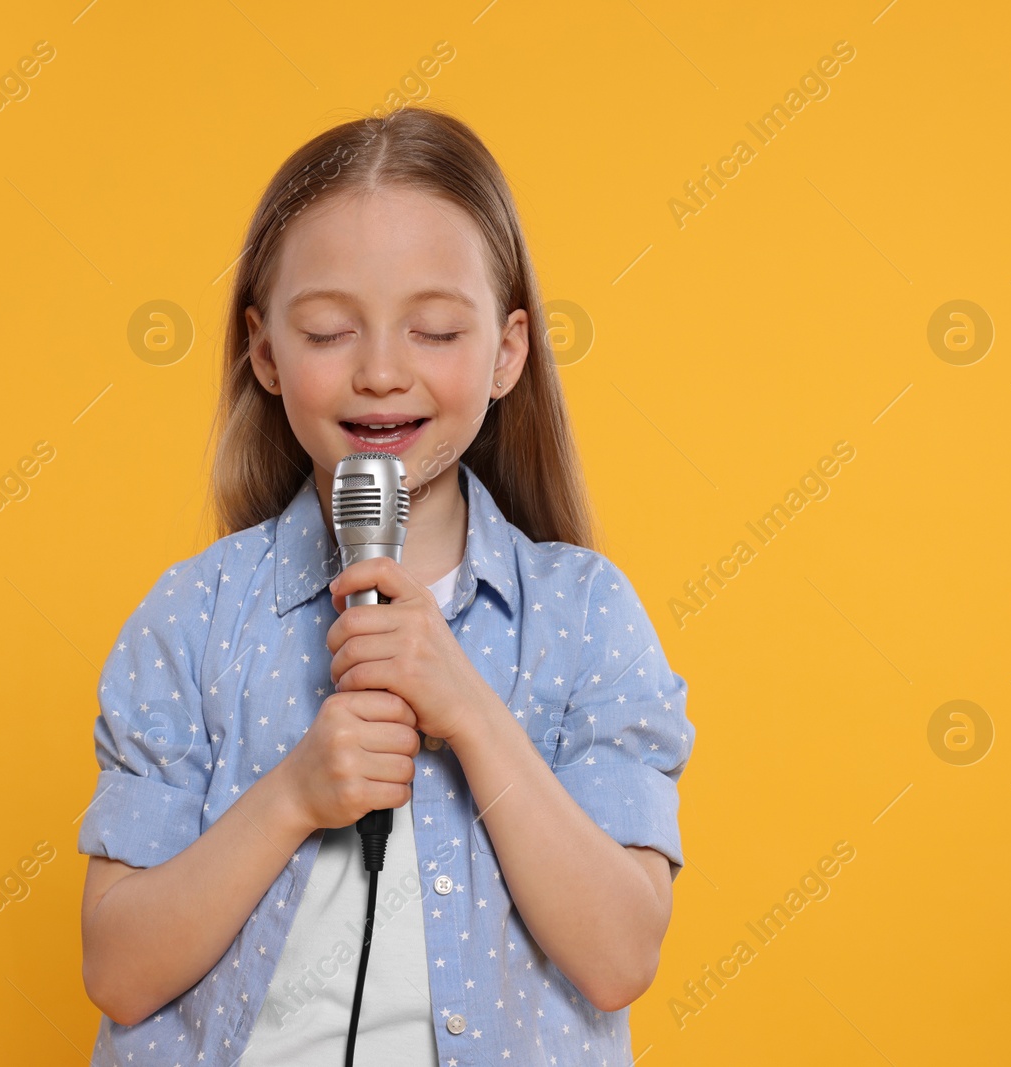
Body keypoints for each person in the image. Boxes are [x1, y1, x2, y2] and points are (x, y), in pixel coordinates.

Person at [76, 105, 695, 1066]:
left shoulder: (584, 616)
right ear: (266, 351)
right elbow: (117, 970)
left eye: (436, 329)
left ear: (507, 351)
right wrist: (292, 793)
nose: (380, 371)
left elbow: (618, 956)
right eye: (328, 331)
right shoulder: (193, 618)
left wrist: (468, 709)